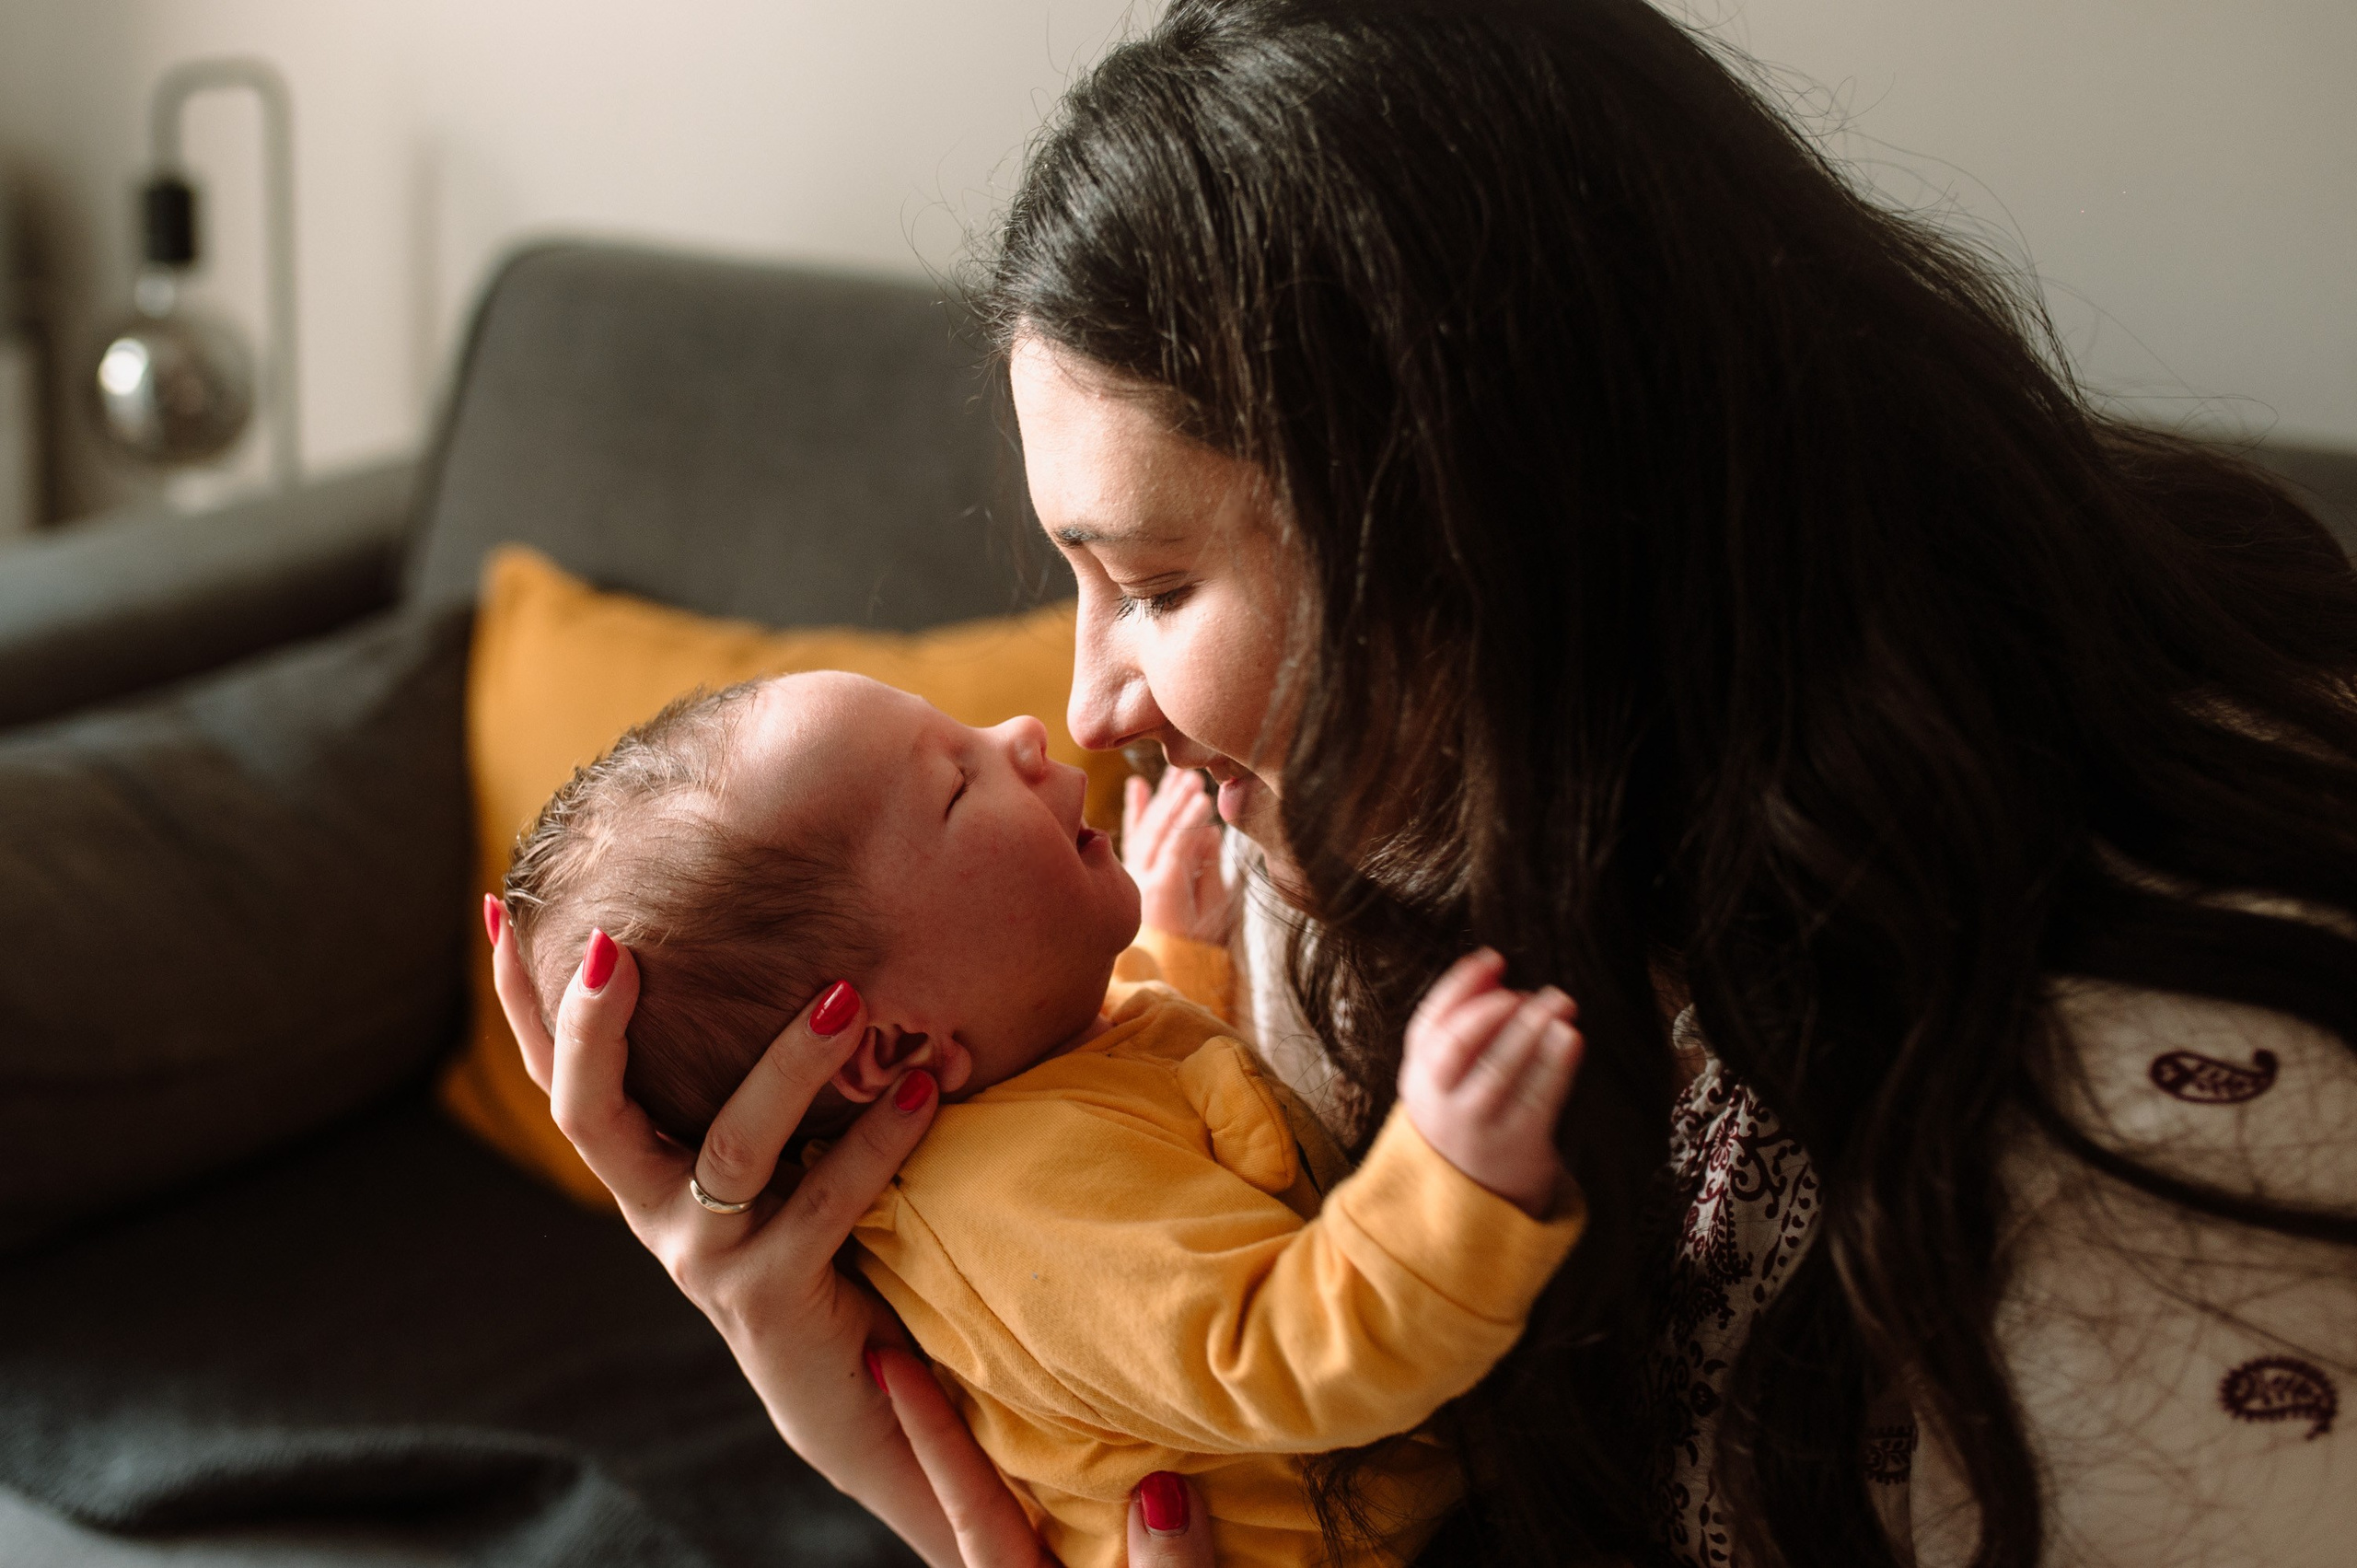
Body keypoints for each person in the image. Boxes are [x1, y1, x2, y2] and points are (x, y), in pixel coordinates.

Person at [491, 1, 2357, 1563]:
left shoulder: (2151, 1156)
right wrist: (857, 1392)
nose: (1083, 702)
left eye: (1148, 585)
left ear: (1492, 528)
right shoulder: (1347, 854)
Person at [493, 669, 1586, 1568]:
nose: (1022, 730)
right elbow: (1280, 1346)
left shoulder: (1022, 1068)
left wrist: (1181, 949)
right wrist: (1449, 1177)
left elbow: (1142, 1078)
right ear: (891, 1048)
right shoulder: (1014, 1206)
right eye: (956, 787)